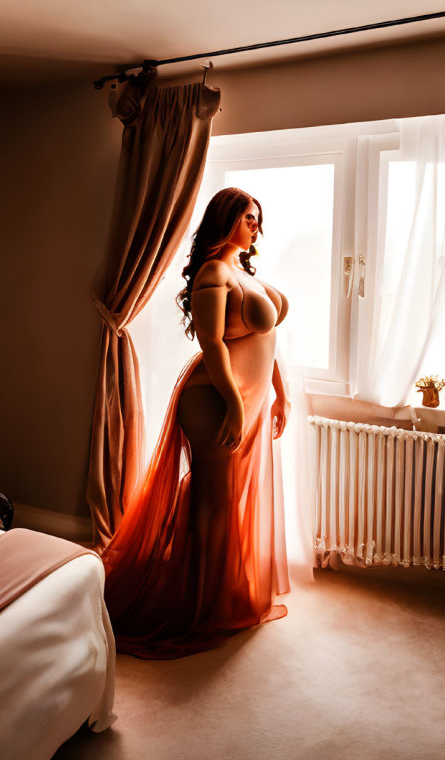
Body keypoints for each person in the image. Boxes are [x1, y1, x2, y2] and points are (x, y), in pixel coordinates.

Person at [101, 187, 291, 659]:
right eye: (249, 218)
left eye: (258, 220)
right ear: (226, 219)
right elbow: (213, 345)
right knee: (216, 500)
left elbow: (267, 344)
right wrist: (233, 403)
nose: (256, 227)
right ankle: (202, 604)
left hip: (240, 401)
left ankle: (216, 591)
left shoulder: (242, 273)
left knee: (222, 500)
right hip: (212, 399)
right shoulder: (212, 273)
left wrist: (280, 395)